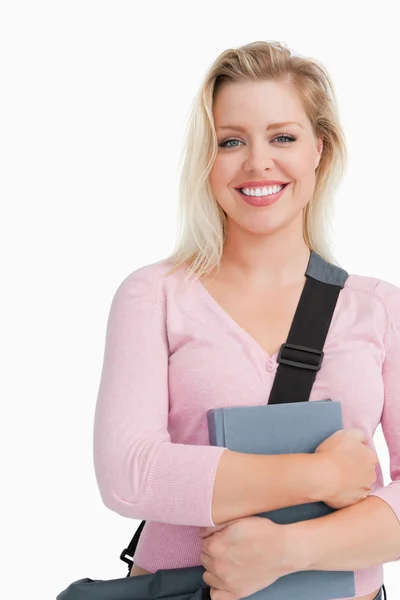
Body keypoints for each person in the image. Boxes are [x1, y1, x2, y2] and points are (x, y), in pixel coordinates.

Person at [92, 41, 399, 600]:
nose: (258, 161)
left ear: (319, 151)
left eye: (283, 137)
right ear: (206, 160)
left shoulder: (380, 308)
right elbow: (129, 474)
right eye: (231, 141)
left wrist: (289, 551)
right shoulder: (154, 295)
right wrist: (320, 478)